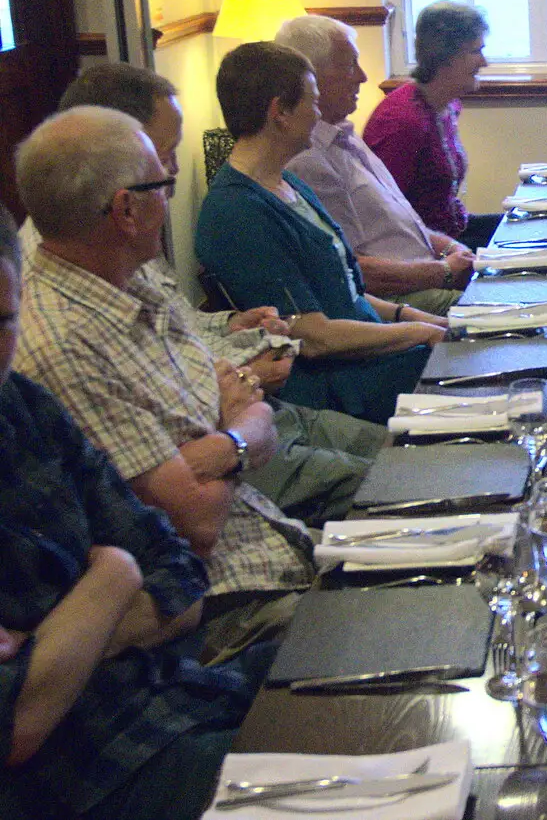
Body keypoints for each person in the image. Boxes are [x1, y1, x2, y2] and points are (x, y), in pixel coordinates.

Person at [13, 107, 318, 661]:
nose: (171, 198)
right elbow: (196, 521)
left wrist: (218, 443)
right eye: (165, 184)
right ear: (126, 209)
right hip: (226, 607)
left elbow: (236, 393)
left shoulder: (133, 282)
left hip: (272, 546)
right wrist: (239, 432)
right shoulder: (63, 342)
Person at [0, 208, 269, 820]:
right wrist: (116, 576)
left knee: (386, 664)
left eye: (3, 321)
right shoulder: (61, 347)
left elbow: (180, 574)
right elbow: (16, 726)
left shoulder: (22, 406)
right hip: (88, 780)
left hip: (172, 695)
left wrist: (64, 636)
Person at [52, 62, 385, 524]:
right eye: (164, 158)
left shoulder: (117, 249)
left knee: (413, 455)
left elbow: (174, 328)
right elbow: (185, 505)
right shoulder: (64, 327)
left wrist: (229, 325)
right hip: (249, 464)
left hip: (269, 417)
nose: (170, 178)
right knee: (407, 478)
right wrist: (238, 426)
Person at [197, 42, 445, 424]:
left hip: (374, 356)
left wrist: (409, 314)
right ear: (279, 111)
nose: (318, 115)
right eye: (312, 103)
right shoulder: (236, 212)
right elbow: (313, 337)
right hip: (343, 386)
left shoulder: (289, 183)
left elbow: (346, 290)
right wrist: (418, 331)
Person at [278, 15, 474, 314]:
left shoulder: (343, 135)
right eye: (349, 65)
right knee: (519, 308)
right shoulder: (308, 162)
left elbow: (407, 225)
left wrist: (450, 249)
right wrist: (444, 271)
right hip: (399, 299)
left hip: (429, 273)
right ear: (310, 78)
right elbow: (352, 271)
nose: (362, 77)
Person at [363, 0, 500, 250]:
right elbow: (386, 216)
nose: (484, 62)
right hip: (425, 251)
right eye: (475, 51)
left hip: (454, 232)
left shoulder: (448, 106)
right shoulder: (403, 122)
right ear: (445, 56)